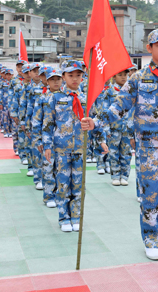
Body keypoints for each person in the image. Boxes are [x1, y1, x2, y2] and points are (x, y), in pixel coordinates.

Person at [81, 29, 158, 261]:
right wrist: (96, 121)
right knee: (150, 194)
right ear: (149, 48)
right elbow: (119, 105)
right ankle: (151, 240)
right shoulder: (137, 78)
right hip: (148, 147)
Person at [43, 60, 108, 232]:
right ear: (63, 76)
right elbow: (48, 123)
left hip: (81, 148)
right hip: (61, 149)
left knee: (79, 184)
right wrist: (47, 145)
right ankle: (64, 217)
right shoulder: (55, 98)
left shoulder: (87, 98)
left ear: (82, 77)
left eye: (78, 75)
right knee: (63, 183)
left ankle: (76, 216)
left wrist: (101, 139)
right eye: (70, 75)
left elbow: (96, 120)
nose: (74, 79)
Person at [32, 66, 61, 208]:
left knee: (61, 169)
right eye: (52, 80)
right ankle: (49, 196)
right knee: (48, 167)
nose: (56, 82)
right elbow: (37, 120)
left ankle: (60, 195)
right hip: (47, 139)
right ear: (47, 82)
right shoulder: (42, 98)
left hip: (63, 140)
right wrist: (37, 139)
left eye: (58, 79)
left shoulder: (66, 97)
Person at [100, 69, 133, 186]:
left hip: (127, 128)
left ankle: (124, 175)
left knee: (126, 152)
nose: (123, 77)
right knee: (113, 153)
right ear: (114, 77)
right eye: (120, 75)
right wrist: (106, 128)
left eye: (125, 75)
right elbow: (105, 110)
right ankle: (115, 175)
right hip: (114, 128)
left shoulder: (131, 91)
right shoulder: (109, 92)